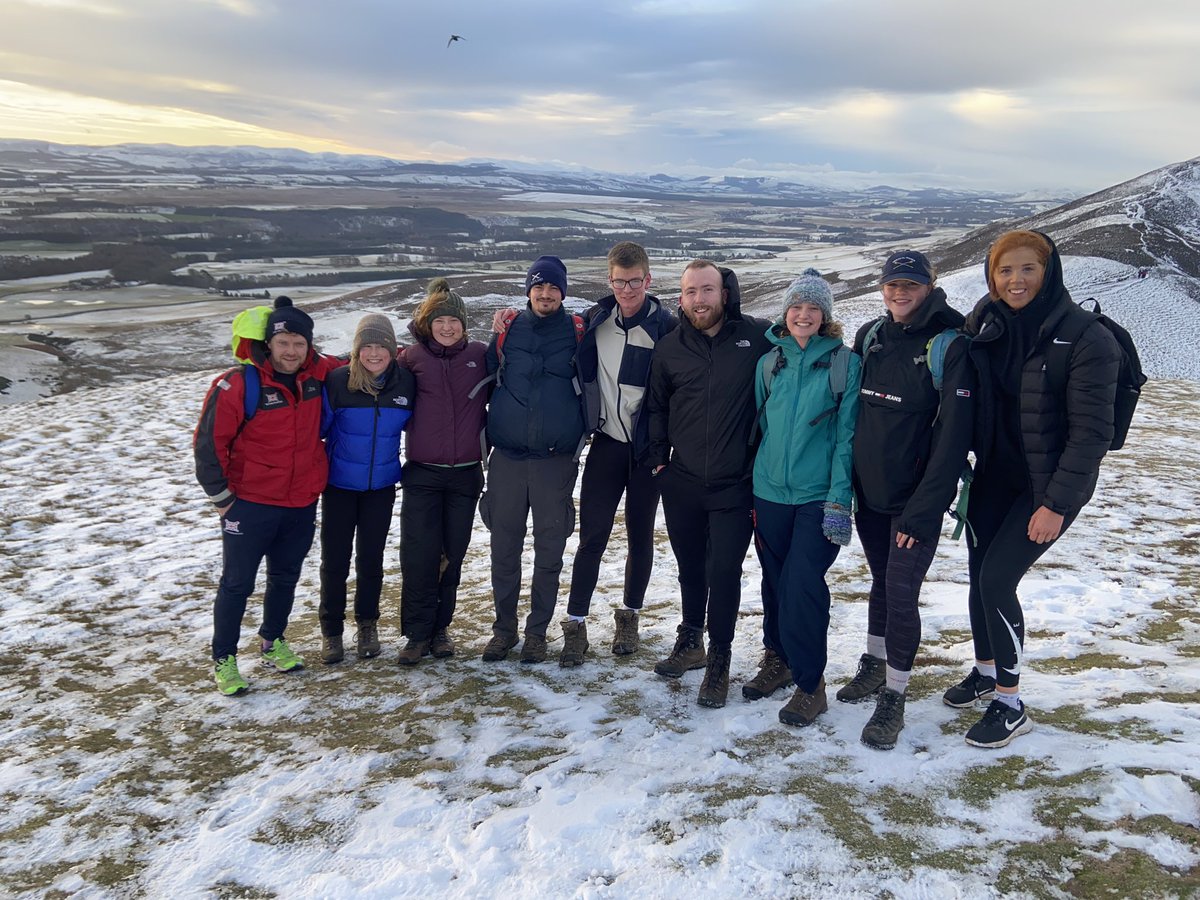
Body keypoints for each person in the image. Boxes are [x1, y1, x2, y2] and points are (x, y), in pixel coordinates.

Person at [945, 230, 1119, 748]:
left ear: (1049, 271)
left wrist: (1055, 505)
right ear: (990, 276)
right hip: (995, 476)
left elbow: (1092, 436)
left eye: (1027, 269)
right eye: (1004, 270)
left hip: (1047, 486)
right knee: (979, 576)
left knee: (998, 580)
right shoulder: (986, 321)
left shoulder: (1087, 336)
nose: (1015, 280)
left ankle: (1010, 701)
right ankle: (985, 670)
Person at [835, 251, 974, 750]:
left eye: (910, 284)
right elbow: (855, 420)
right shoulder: (872, 337)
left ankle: (893, 696)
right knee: (881, 583)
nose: (900, 292)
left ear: (929, 286)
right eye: (892, 283)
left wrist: (923, 508)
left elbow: (953, 439)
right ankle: (874, 665)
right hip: (871, 495)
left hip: (914, 502)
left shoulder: (948, 344)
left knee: (900, 591)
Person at [194, 296, 341, 695]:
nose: (291, 352)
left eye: (299, 343)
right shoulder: (238, 384)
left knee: (285, 577)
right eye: (283, 343)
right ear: (268, 345)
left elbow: (364, 358)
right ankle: (224, 659)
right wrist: (223, 498)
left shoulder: (317, 375)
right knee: (237, 583)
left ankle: (272, 640)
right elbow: (209, 444)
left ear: (309, 346)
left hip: (300, 501)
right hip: (250, 503)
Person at [644, 260, 771, 708]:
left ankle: (719, 659)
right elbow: (656, 408)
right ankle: (690, 640)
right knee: (690, 568)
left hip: (736, 484)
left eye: (708, 290)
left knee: (724, 573)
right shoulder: (670, 348)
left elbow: (802, 344)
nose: (700, 300)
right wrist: (660, 464)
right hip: (682, 483)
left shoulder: (756, 338)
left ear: (725, 292)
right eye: (691, 292)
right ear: (681, 298)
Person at [557, 241, 678, 666]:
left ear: (648, 280)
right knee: (592, 537)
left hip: (647, 452)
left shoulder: (666, 327)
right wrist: (508, 319)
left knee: (640, 536)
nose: (626, 289)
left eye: (634, 281)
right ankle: (575, 624)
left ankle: (630, 615)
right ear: (609, 281)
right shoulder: (595, 321)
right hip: (606, 445)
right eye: (618, 281)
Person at [749, 269, 861, 727]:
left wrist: (839, 499)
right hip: (769, 492)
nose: (803, 314)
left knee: (803, 586)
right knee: (774, 582)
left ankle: (811, 684)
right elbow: (761, 429)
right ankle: (777, 659)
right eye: (797, 305)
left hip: (818, 497)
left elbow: (847, 437)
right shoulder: (768, 362)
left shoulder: (844, 364)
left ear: (826, 316)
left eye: (813, 307)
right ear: (786, 310)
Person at [479, 256, 586, 664]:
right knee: (503, 550)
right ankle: (503, 631)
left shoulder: (578, 331)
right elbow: (486, 372)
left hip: (554, 461)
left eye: (554, 288)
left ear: (563, 292)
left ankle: (537, 633)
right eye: (539, 287)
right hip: (505, 457)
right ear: (528, 291)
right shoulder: (508, 330)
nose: (546, 294)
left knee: (549, 552)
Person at [396, 278, 489, 665]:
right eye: (440, 321)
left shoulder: (482, 355)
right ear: (427, 323)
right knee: (419, 555)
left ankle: (441, 630)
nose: (447, 327)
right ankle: (416, 635)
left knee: (453, 554)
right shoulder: (411, 359)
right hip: (423, 474)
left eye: (454, 320)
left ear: (464, 324)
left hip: (466, 474)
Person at [317, 313, 414, 664]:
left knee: (371, 560)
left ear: (392, 349)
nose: (374, 353)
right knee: (335, 561)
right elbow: (320, 430)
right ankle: (331, 631)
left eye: (381, 346)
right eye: (367, 347)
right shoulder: (338, 382)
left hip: (382, 487)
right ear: (357, 351)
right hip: (340, 486)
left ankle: (367, 625)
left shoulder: (405, 384)